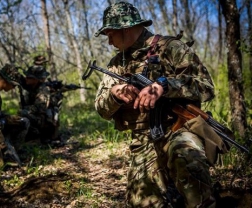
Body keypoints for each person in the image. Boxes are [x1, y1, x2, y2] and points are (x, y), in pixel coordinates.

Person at [94, 2, 228, 207]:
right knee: (142, 201)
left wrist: (165, 86)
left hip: (180, 128)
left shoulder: (171, 48)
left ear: (126, 28)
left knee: (185, 155)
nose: (109, 40)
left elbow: (206, 87)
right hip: (144, 141)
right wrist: (114, 94)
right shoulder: (116, 64)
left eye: (111, 34)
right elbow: (101, 109)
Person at [18, 55, 58, 144]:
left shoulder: (43, 90)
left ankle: (39, 138)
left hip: (41, 119)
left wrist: (24, 111)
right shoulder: (29, 86)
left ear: (37, 80)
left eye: (29, 77)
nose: (26, 78)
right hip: (34, 116)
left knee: (23, 115)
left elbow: (40, 108)